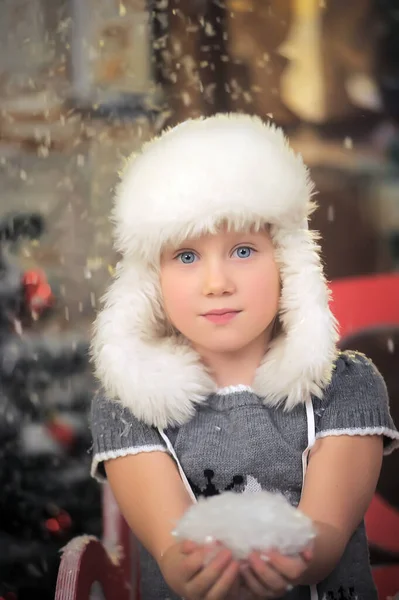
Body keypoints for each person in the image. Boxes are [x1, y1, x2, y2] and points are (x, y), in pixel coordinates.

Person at [90, 113, 399, 600]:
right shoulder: (131, 409)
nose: (217, 284)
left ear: (287, 262)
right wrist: (190, 564)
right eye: (187, 256)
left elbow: (324, 537)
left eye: (242, 250)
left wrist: (280, 554)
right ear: (151, 281)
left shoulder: (343, 387)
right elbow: (175, 551)